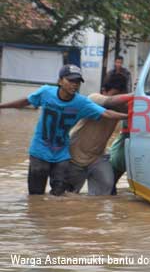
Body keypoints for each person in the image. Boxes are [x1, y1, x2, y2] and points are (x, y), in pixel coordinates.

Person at [0, 65, 128, 195]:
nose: (74, 85)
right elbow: (24, 102)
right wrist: (2, 106)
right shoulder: (46, 92)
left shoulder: (81, 102)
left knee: (59, 194)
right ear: (60, 81)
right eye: (70, 81)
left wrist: (129, 116)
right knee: (35, 196)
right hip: (40, 151)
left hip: (61, 154)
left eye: (77, 82)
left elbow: (106, 113)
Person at [66, 73, 131, 196]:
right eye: (115, 93)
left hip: (97, 158)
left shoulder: (120, 108)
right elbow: (111, 101)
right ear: (103, 91)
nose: (118, 99)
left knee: (105, 190)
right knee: (69, 196)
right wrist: (134, 95)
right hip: (74, 158)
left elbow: (135, 109)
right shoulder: (93, 98)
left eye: (120, 94)